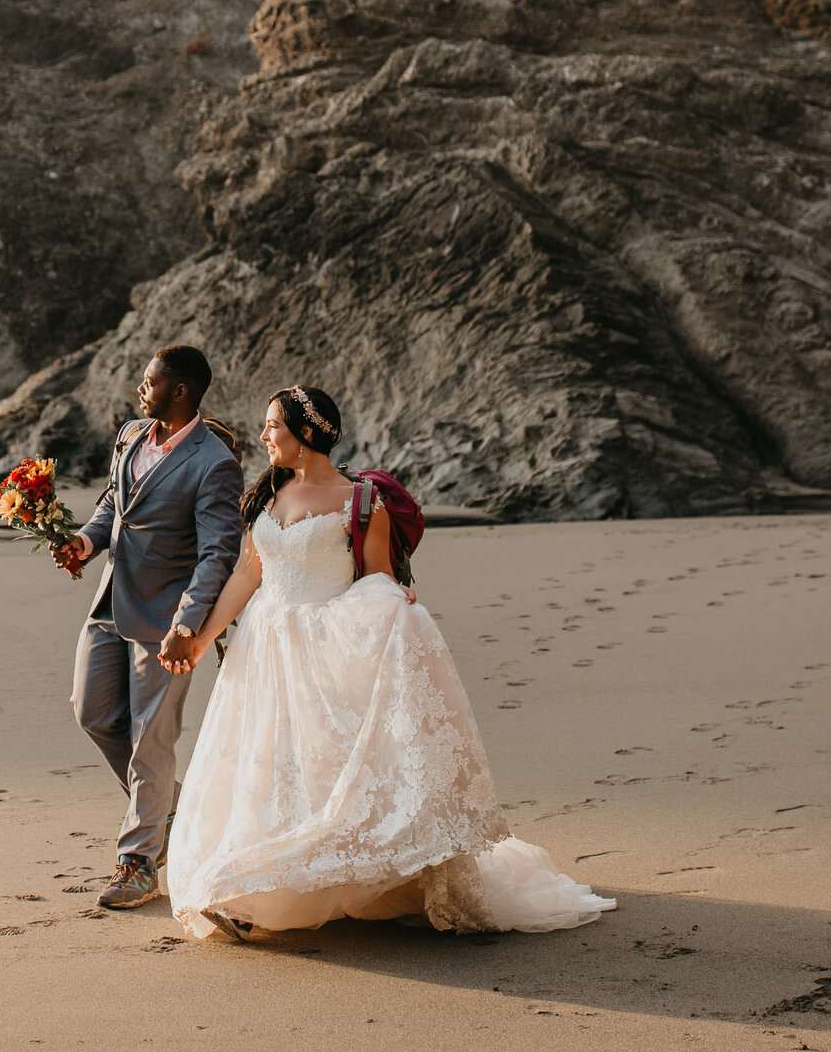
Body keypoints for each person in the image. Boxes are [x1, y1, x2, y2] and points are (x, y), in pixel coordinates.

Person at [158, 384, 616, 940]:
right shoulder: (265, 496)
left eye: (273, 425)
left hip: (326, 649)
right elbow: (247, 576)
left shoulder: (360, 501)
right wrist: (201, 640)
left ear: (306, 434)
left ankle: (310, 879)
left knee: (324, 769)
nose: (263, 436)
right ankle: (252, 893)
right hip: (264, 652)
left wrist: (397, 599)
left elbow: (375, 575)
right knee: (267, 766)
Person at [50, 344, 243, 910]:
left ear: (180, 391)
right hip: (109, 602)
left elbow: (216, 554)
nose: (141, 388)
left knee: (150, 741)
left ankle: (138, 863)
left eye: (151, 381)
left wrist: (188, 622)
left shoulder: (215, 463)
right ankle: (171, 811)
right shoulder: (132, 433)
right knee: (92, 712)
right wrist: (85, 541)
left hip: (166, 621)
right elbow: (115, 503)